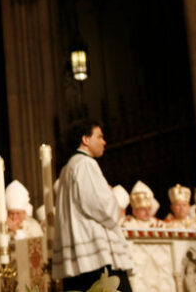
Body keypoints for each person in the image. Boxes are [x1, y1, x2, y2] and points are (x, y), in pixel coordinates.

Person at [52, 120, 133, 291]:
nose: (104, 142)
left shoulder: (67, 168)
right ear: (86, 139)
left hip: (79, 256)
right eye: (99, 137)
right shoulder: (85, 164)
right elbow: (100, 205)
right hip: (95, 255)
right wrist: (113, 198)